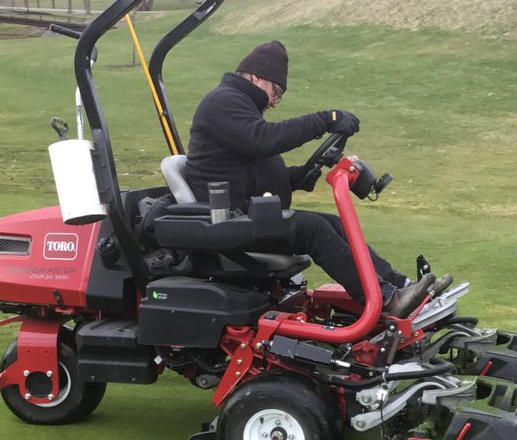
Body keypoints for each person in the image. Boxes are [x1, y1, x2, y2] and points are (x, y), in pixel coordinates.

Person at [184, 40, 446, 318]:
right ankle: (386, 301)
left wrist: (295, 177)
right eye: (276, 92)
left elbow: (250, 168)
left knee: (331, 223)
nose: (274, 102)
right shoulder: (223, 101)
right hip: (230, 220)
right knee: (312, 229)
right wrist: (325, 119)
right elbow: (263, 140)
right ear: (255, 76)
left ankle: (401, 286)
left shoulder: (237, 105)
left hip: (248, 213)